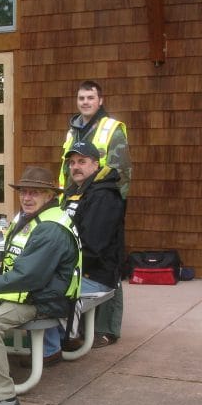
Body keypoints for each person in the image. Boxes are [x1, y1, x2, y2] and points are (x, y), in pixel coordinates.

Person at [0, 166, 81, 405]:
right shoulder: (30, 218)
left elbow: (30, 276)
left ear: (49, 195)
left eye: (35, 193)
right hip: (30, 291)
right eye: (24, 192)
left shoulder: (51, 228)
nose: (27, 198)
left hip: (46, 299)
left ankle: (4, 398)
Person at [58, 80, 131, 347]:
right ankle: (73, 328)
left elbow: (122, 169)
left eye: (90, 97)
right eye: (81, 98)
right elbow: (68, 167)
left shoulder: (111, 128)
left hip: (103, 199)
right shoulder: (73, 129)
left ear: (100, 100)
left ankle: (107, 328)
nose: (85, 102)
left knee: (105, 258)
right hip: (74, 197)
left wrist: (112, 204)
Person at [43, 141, 125, 356]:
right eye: (72, 163)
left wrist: (55, 264)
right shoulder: (75, 191)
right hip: (74, 268)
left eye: (82, 161)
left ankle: (53, 347)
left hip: (94, 274)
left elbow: (93, 247)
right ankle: (51, 339)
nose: (75, 167)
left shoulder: (104, 196)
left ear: (95, 165)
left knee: (42, 287)